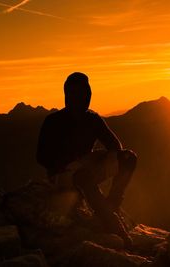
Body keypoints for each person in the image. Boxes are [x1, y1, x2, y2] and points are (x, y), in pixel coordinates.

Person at [36, 72, 136, 248]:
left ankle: (112, 204)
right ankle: (112, 223)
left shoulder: (92, 119)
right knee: (83, 177)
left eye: (86, 94)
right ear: (68, 96)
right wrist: (70, 164)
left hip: (87, 169)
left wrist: (96, 158)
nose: (84, 98)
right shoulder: (53, 121)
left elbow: (115, 145)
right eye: (80, 94)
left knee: (129, 158)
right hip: (63, 175)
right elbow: (42, 156)